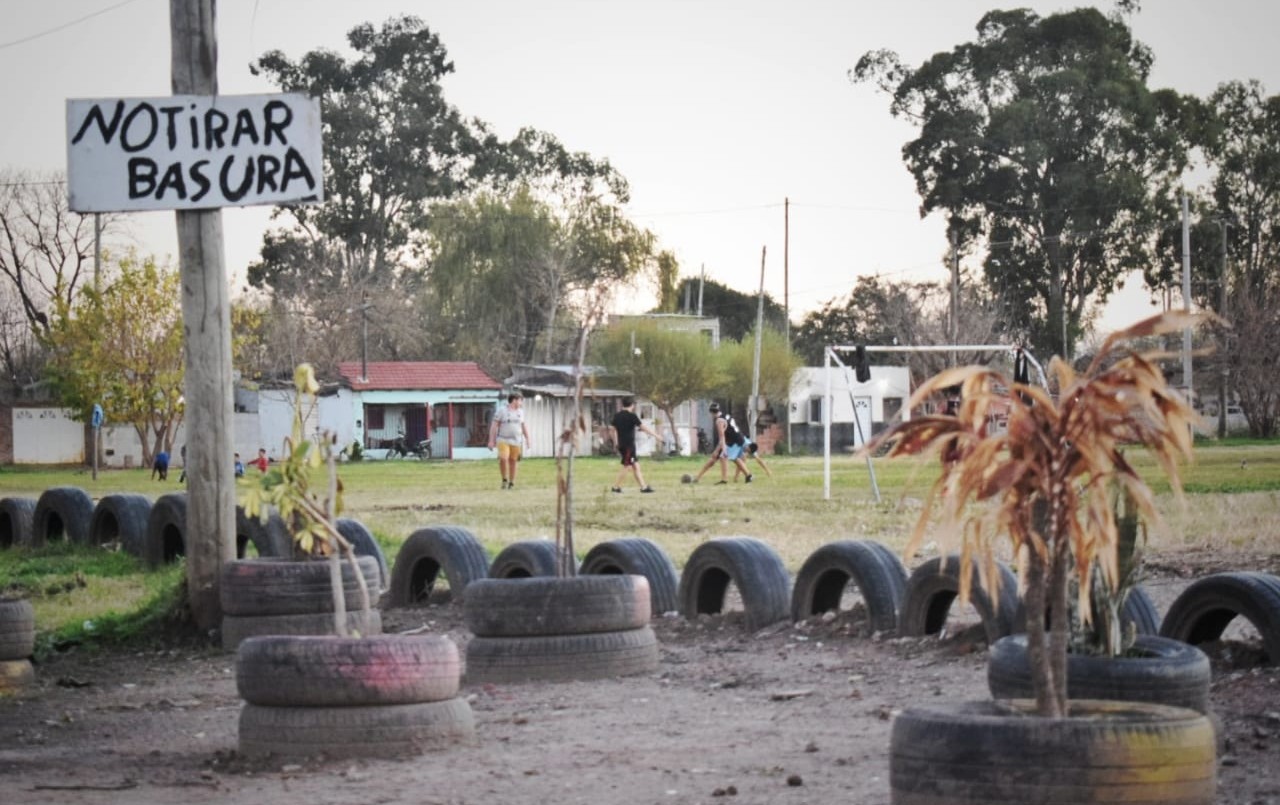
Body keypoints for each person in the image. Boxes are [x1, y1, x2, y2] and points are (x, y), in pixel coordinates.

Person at [609, 397, 658, 493]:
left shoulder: (617, 416)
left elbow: (611, 430)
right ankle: (615, 487)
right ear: (632, 405)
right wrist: (656, 435)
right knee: (626, 466)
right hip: (628, 446)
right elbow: (643, 427)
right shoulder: (632, 416)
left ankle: (643, 487)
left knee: (635, 465)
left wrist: (615, 442)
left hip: (622, 445)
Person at [691, 403, 746, 484]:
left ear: (711, 412)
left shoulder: (719, 420)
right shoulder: (726, 416)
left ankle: (724, 479)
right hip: (736, 439)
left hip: (731, 441)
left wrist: (720, 449)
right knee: (733, 458)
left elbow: (722, 436)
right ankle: (698, 478)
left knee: (724, 457)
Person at [488, 393, 531, 489]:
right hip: (503, 439)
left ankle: (511, 482)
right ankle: (504, 479)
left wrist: (527, 438)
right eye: (520, 400)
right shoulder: (502, 410)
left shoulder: (521, 412)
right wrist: (491, 440)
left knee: (513, 461)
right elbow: (494, 425)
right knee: (503, 458)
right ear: (514, 400)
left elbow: (523, 426)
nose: (521, 403)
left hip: (516, 440)